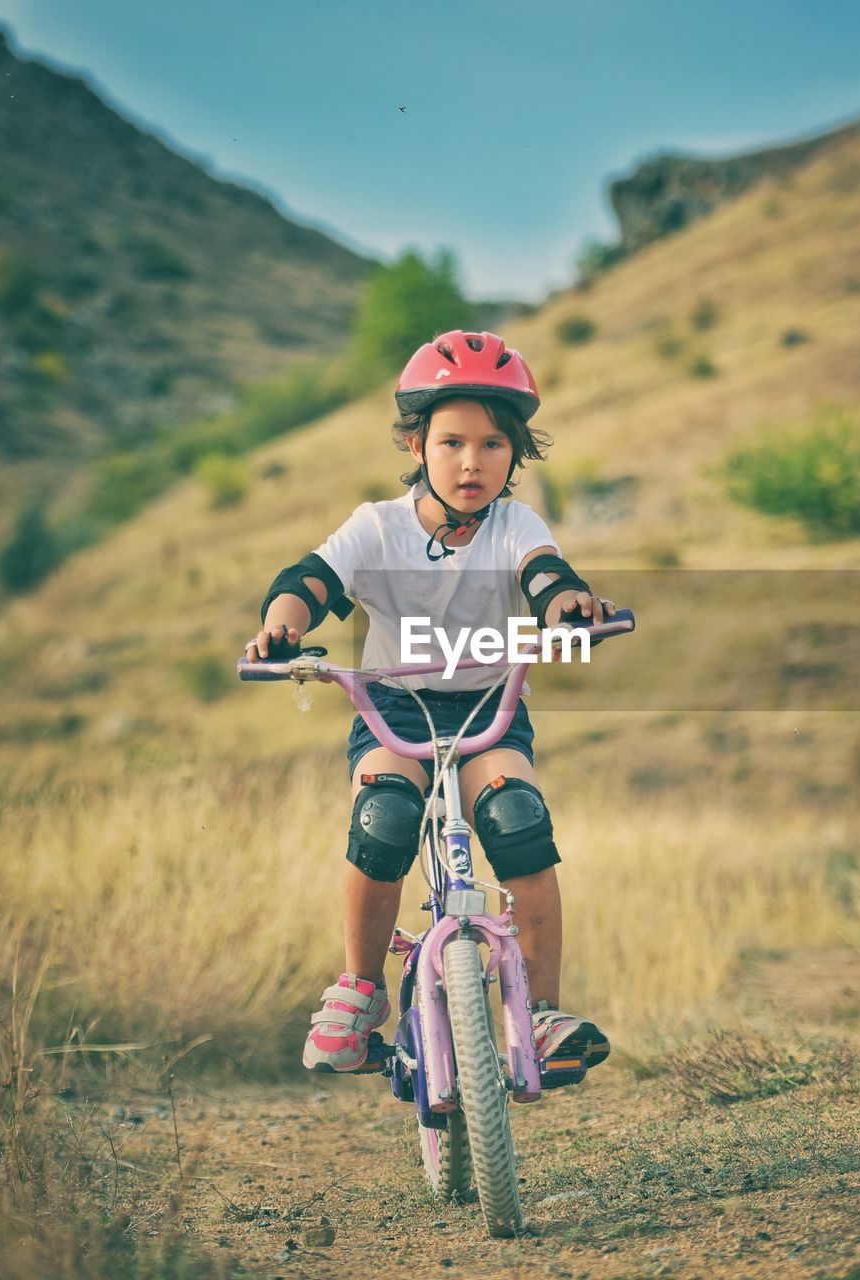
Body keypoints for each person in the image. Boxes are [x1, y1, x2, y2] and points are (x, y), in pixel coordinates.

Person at [246, 330, 614, 1077]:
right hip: (395, 710)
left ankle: (540, 1014)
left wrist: (569, 606)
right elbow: (313, 578)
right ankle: (359, 990)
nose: (472, 462)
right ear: (416, 445)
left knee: (520, 822)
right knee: (382, 818)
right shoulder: (375, 526)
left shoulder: (516, 526)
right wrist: (283, 622)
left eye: (491, 445)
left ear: (516, 455)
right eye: (450, 442)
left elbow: (546, 574)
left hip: (489, 710)